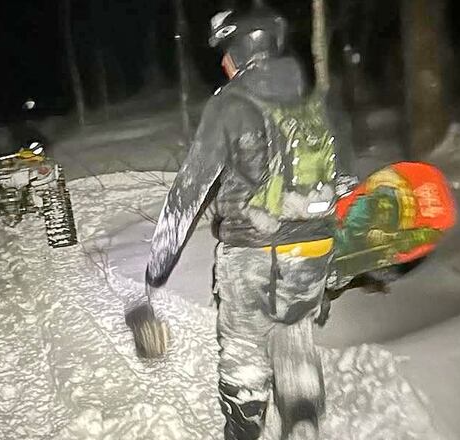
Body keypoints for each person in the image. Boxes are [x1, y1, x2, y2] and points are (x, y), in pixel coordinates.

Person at [126, 6, 346, 440]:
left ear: (244, 50)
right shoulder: (317, 100)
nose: (224, 62)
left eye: (227, 52)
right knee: (294, 332)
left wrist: (158, 268)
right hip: (315, 250)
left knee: (244, 351)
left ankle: (244, 431)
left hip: (252, 253)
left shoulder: (230, 105)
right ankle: (302, 416)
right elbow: (345, 178)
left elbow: (190, 190)